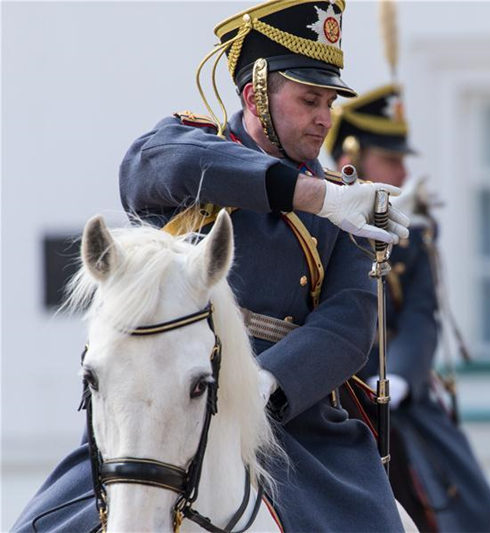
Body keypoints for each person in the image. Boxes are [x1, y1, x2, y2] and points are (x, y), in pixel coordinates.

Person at [12, 1, 412, 531]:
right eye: (309, 99)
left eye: (329, 102)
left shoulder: (349, 206)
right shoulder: (190, 147)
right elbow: (152, 170)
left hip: (286, 416)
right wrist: (313, 197)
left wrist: (266, 385)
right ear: (256, 96)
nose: (324, 117)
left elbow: (348, 325)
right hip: (162, 399)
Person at [327, 83, 490, 533]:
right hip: (335, 388)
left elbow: (421, 315)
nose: (404, 174)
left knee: (479, 514)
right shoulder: (320, 213)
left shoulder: (416, 232)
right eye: (392, 160)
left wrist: (401, 378)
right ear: (353, 155)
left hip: (401, 390)